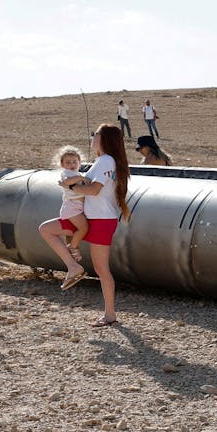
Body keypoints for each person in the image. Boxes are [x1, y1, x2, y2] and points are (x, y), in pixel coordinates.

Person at [38, 123, 131, 326]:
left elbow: (94, 190)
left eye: (95, 134)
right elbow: (87, 187)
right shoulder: (102, 161)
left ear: (104, 139)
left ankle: (110, 314)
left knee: (101, 269)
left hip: (101, 220)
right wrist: (73, 184)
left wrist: (70, 184)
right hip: (88, 217)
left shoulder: (106, 161)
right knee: (46, 229)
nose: (92, 137)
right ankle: (73, 266)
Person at [52, 146, 89, 260]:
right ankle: (73, 247)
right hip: (72, 209)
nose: (72, 164)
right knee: (83, 229)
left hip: (76, 208)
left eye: (74, 162)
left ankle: (72, 251)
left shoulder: (77, 174)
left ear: (79, 162)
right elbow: (67, 182)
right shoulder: (67, 173)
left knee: (73, 231)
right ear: (62, 165)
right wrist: (81, 178)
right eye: (68, 162)